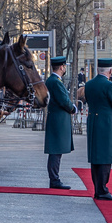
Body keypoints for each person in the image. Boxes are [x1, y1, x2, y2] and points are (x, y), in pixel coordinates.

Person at [84, 56, 112, 201]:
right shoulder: (109, 86)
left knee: (96, 157)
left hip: (93, 122)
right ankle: (102, 190)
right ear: (110, 71)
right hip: (107, 124)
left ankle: (98, 188)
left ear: (97, 69)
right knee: (106, 157)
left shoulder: (88, 85)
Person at [43, 55, 76, 190]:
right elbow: (64, 101)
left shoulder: (53, 80)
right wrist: (73, 108)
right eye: (64, 66)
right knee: (56, 151)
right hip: (58, 120)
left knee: (56, 151)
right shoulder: (55, 82)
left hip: (56, 119)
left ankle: (54, 179)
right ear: (62, 67)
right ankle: (54, 180)